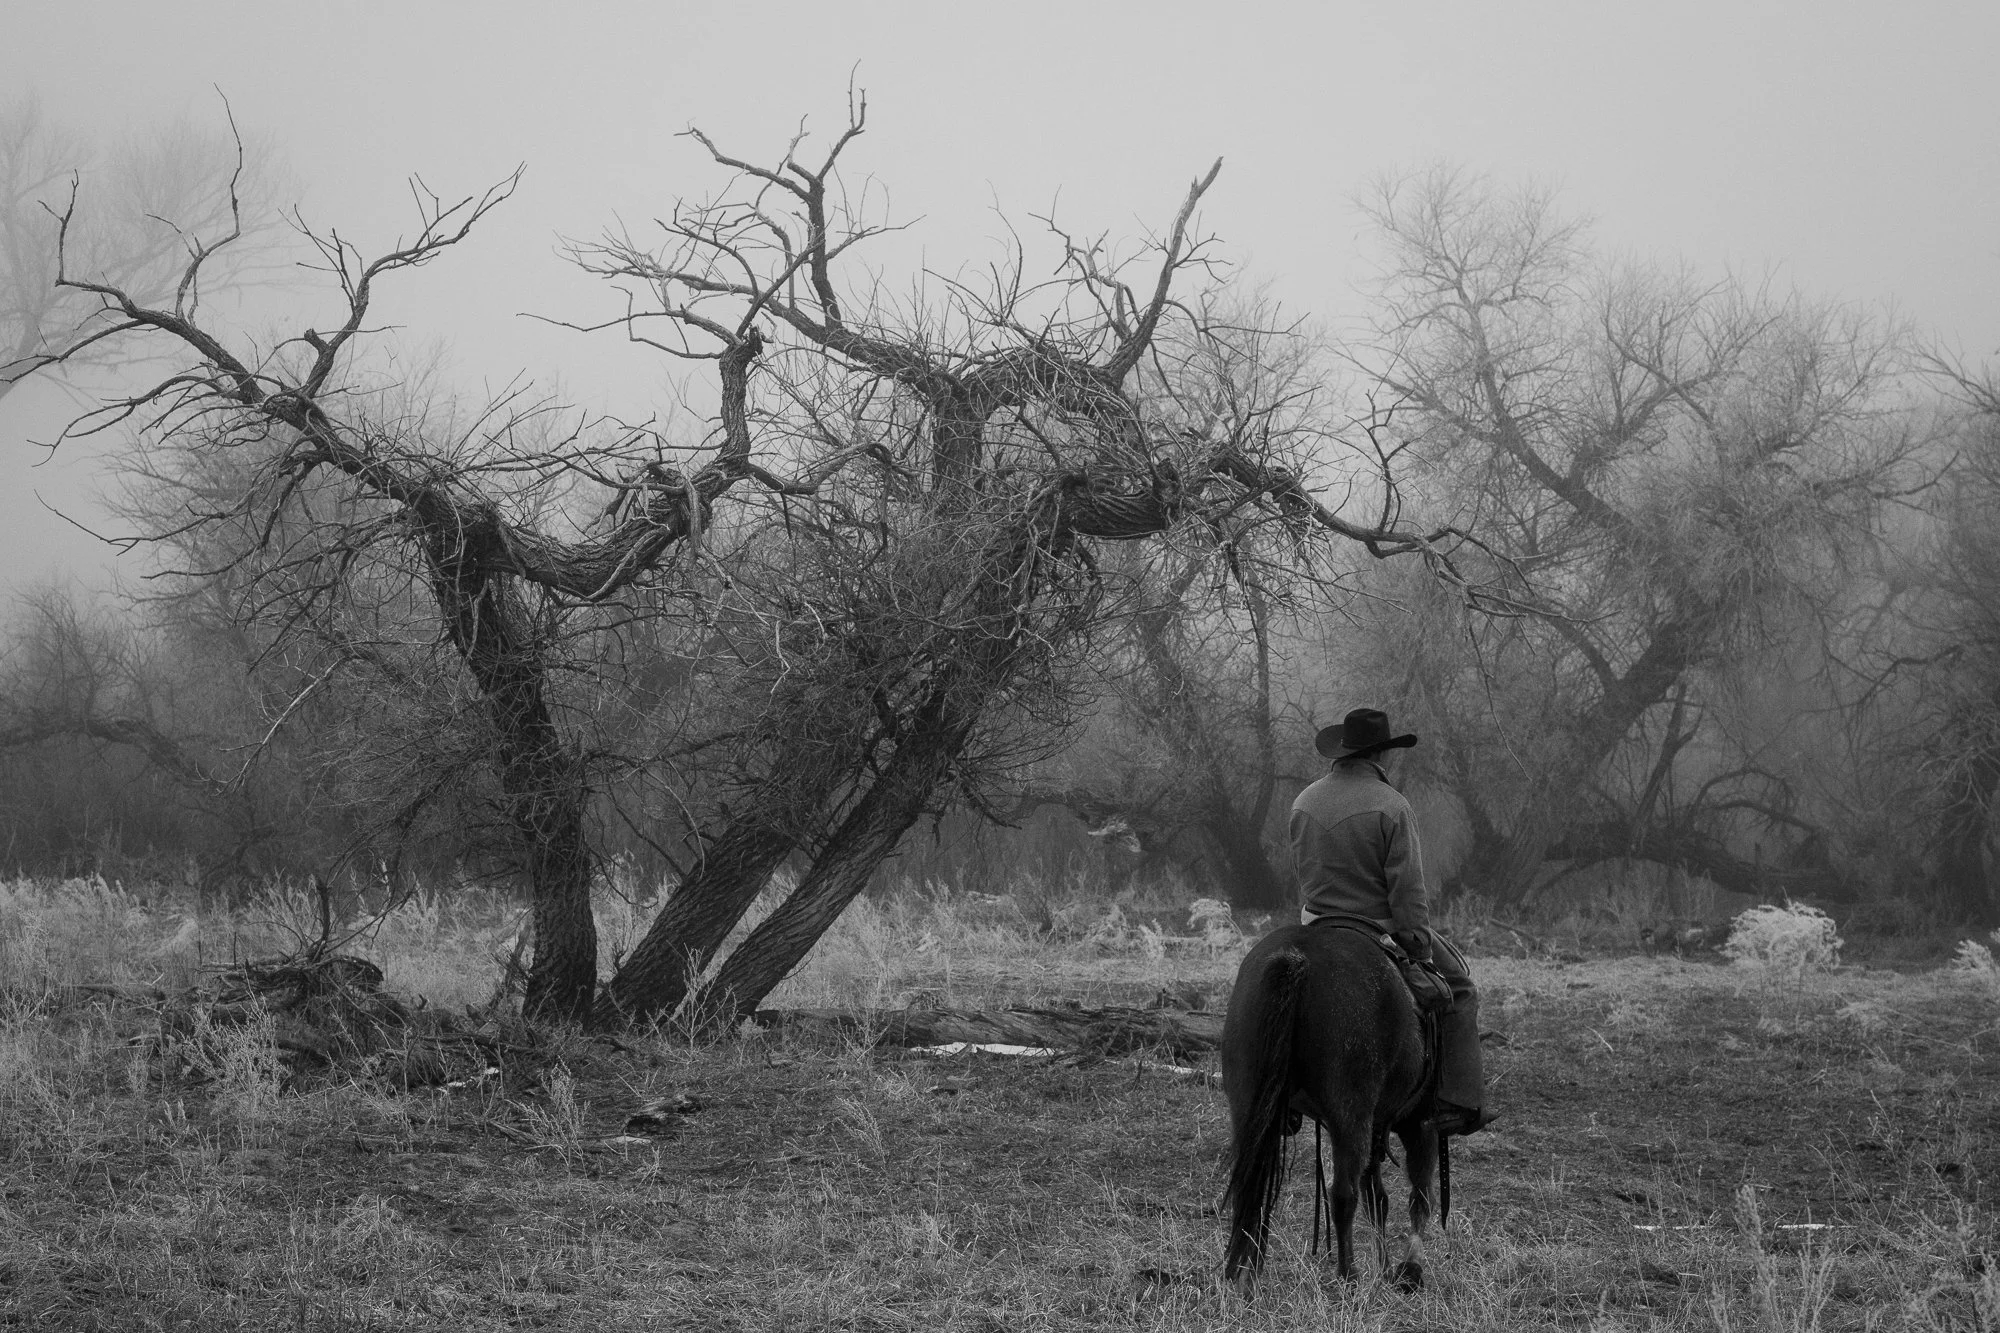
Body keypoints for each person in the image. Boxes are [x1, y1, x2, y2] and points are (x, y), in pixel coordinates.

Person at [1291, 707, 1496, 1138]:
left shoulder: (1304, 801)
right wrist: (1418, 948)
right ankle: (1459, 1101)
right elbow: (1407, 893)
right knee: (1459, 988)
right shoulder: (1392, 805)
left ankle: (1277, 1094)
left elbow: (1305, 875)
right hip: (1377, 928)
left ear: (1343, 751)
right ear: (1382, 754)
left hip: (1314, 927)